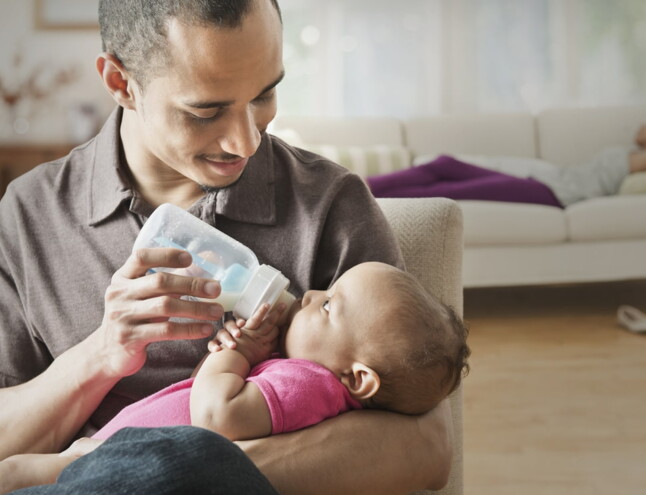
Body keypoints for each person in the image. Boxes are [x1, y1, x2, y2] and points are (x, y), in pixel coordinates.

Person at [0, 0, 455, 493]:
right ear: (120, 83)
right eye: (206, 111)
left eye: (264, 95)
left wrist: (175, 472)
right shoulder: (29, 213)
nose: (246, 142)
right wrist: (102, 353)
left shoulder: (329, 204)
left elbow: (426, 448)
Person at [0, 262, 470, 493]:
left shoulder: (309, 384)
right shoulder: (306, 379)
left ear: (359, 379)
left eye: (328, 306)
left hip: (125, 462)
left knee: (17, 474)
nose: (309, 295)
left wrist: (240, 354)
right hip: (112, 451)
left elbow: (215, 416)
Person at [367, 114, 646, 207]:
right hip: (543, 182)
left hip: (551, 192)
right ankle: (361, 187)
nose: (645, 123)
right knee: (444, 165)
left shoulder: (640, 161)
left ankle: (359, 189)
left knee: (441, 186)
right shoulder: (628, 153)